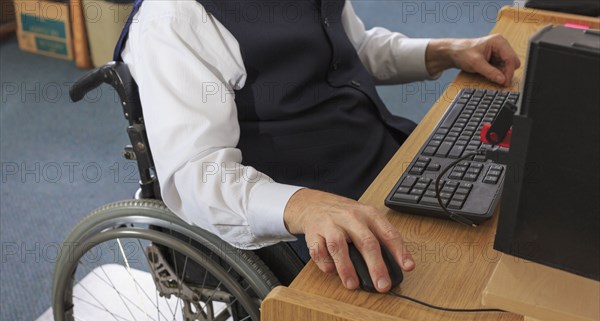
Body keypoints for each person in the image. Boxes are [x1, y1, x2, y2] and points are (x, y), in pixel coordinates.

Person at [116, 0, 520, 293]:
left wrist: (444, 52)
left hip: (384, 163)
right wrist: (303, 206)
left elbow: (354, 51)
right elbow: (198, 176)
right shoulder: (174, 18)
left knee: (512, 224)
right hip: (304, 218)